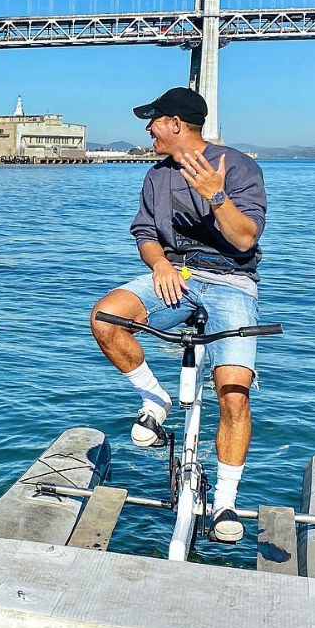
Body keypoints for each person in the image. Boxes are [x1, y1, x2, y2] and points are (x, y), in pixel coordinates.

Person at [90, 86, 267, 543]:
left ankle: (226, 502)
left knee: (233, 394)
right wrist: (161, 264)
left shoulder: (240, 168)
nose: (148, 129)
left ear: (176, 124)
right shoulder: (156, 175)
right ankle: (156, 400)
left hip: (231, 281)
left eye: (154, 120)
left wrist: (217, 196)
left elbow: (245, 240)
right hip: (178, 275)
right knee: (107, 318)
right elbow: (146, 232)